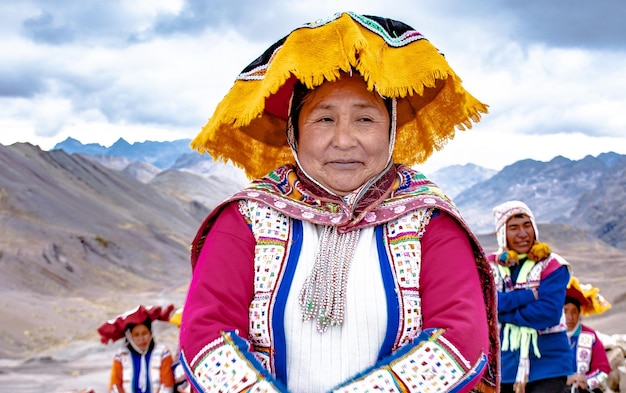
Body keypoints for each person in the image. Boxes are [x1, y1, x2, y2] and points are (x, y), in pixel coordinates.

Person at [179, 11, 499, 393]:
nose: (344, 140)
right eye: (324, 120)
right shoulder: (248, 218)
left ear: (391, 131)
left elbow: (460, 338)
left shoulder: (429, 220)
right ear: (295, 133)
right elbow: (206, 332)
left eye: (365, 119)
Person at [488, 200, 572, 393]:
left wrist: (499, 311)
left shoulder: (554, 266)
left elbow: (548, 313)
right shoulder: (488, 267)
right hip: (503, 363)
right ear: (501, 233)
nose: (523, 234)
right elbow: (482, 303)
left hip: (548, 362)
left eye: (527, 225)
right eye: (513, 228)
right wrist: (527, 296)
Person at [98, 304, 176, 393]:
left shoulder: (163, 353)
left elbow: (167, 385)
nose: (141, 339)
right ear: (129, 337)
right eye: (136, 335)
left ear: (150, 333)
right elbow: (115, 386)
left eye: (144, 333)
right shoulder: (121, 356)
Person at [564, 276, 612, 392]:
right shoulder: (549, 335)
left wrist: (586, 381)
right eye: (565, 311)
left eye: (574, 312)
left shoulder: (590, 336)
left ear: (579, 314)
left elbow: (603, 369)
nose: (570, 317)